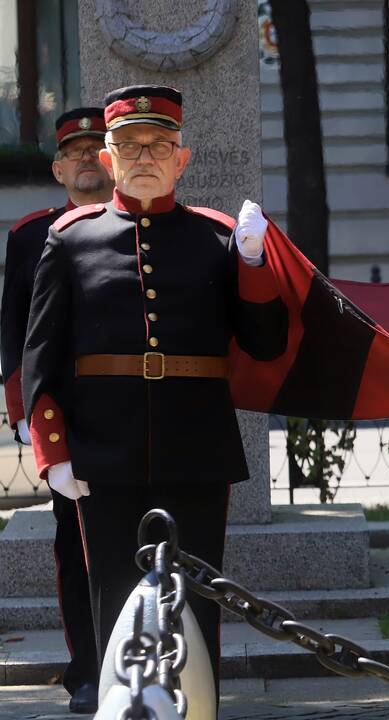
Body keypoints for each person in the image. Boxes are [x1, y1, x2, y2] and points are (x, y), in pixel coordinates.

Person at [20, 84, 288, 705]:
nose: (144, 155)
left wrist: (252, 262)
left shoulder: (217, 238)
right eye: (129, 145)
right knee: (114, 598)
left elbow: (265, 342)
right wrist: (53, 451)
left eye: (159, 144)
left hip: (194, 445)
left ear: (181, 158)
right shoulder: (70, 239)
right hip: (101, 449)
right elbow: (43, 355)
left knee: (196, 606)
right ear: (108, 157)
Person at [1, 107, 112, 714]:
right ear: (58, 167)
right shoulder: (29, 236)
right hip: (64, 414)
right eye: (76, 152)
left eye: (99, 148)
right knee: (77, 546)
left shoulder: (140, 226)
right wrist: (23, 408)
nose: (88, 159)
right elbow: (14, 331)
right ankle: (89, 670)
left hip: (130, 406)